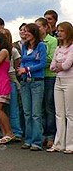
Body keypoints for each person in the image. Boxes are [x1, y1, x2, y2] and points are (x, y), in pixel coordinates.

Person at [17, 23, 47, 151]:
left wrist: (28, 69)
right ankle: (28, 140)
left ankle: (36, 141)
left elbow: (43, 63)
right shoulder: (24, 46)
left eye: (28, 31)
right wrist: (21, 69)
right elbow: (23, 60)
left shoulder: (41, 46)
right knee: (27, 112)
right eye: (24, 31)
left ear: (34, 33)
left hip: (36, 81)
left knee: (36, 113)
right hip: (25, 82)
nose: (26, 33)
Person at [48, 22, 73, 153]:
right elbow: (52, 65)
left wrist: (59, 65)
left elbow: (67, 65)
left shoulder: (72, 47)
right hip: (58, 81)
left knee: (70, 114)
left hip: (70, 81)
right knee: (59, 113)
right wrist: (58, 65)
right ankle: (59, 143)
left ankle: (70, 144)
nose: (59, 33)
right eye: (58, 31)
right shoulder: (58, 48)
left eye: (62, 31)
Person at [35, 17, 58, 147]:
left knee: (49, 106)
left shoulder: (52, 41)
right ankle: (42, 133)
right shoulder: (35, 41)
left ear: (45, 27)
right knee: (41, 106)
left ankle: (51, 134)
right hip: (39, 76)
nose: (37, 29)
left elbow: (50, 58)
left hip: (49, 76)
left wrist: (38, 61)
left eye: (39, 27)